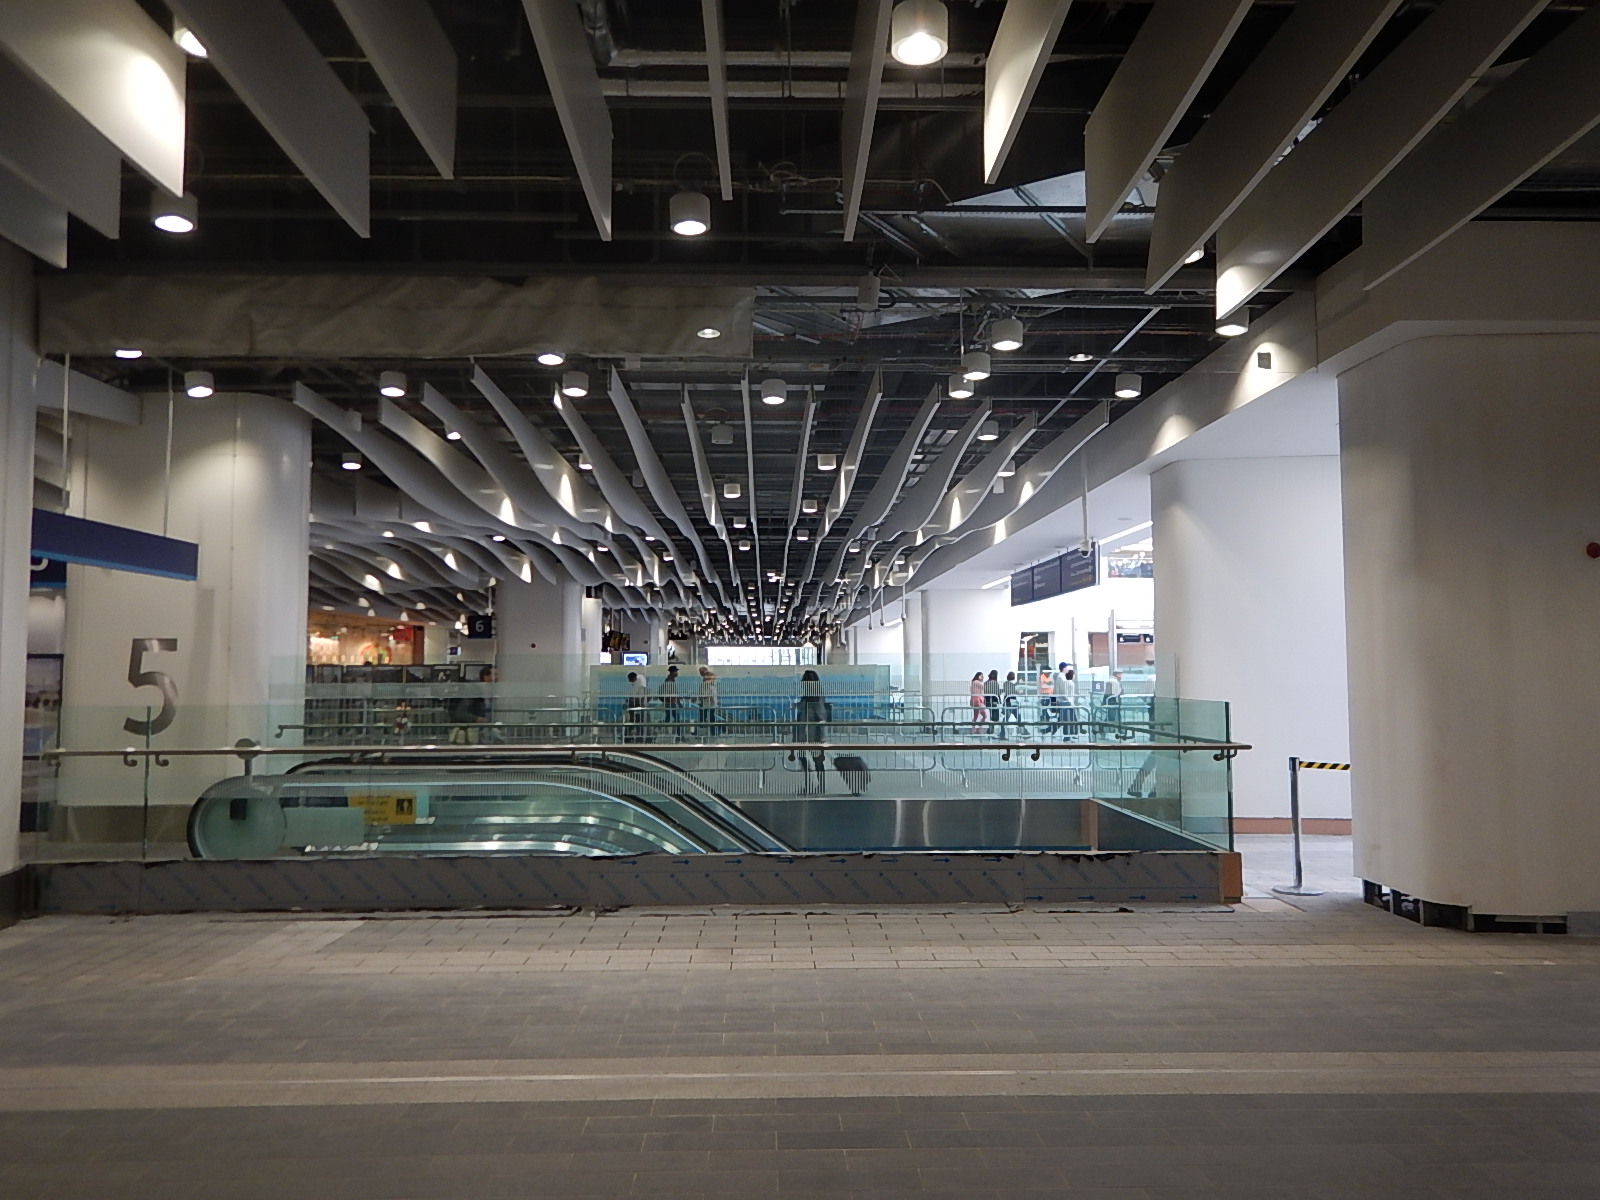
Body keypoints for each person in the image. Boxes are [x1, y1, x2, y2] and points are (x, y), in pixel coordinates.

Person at [795, 668, 829, 792]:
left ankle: (820, 786)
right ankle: (811, 784)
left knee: (817, 760)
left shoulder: (816, 699)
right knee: (805, 758)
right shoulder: (807, 698)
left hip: (814, 735)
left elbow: (820, 718)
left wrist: (821, 738)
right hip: (804, 734)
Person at [447, 666, 495, 745]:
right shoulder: (474, 693)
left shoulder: (488, 692)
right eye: (494, 675)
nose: (497, 677)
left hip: (478, 730)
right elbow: (460, 712)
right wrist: (476, 718)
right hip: (469, 731)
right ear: (485, 676)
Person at [658, 664, 683, 740]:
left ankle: (659, 726)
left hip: (670, 702)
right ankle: (679, 735)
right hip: (670, 703)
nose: (677, 673)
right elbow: (671, 693)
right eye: (676, 671)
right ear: (672, 672)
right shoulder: (669, 681)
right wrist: (678, 702)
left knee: (668, 718)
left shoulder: (671, 680)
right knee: (677, 719)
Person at [624, 671, 647, 743]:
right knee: (635, 720)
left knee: (637, 720)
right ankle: (634, 735)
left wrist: (632, 699)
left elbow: (638, 696)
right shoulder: (638, 682)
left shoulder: (639, 683)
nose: (629, 680)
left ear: (633, 678)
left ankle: (638, 735)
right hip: (636, 704)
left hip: (637, 704)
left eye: (629, 679)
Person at [696, 666, 719, 738]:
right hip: (708, 700)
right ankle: (712, 733)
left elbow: (709, 691)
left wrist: (710, 698)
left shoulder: (707, 678)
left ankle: (705, 732)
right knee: (709, 717)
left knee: (704, 717)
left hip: (708, 700)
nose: (700, 674)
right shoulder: (709, 680)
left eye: (700, 672)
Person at [1104, 670, 1128, 739]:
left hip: (1110, 701)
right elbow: (1114, 694)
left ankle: (1104, 729)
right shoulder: (1114, 682)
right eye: (1120, 674)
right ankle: (1113, 729)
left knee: (1110, 716)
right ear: (1117, 674)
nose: (1121, 676)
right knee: (1113, 717)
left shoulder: (1110, 681)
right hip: (1113, 701)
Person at [999, 670, 1023, 735]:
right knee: (1017, 717)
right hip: (1011, 703)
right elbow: (1019, 692)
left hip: (1009, 702)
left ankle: (1003, 733)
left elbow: (1016, 691)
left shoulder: (1007, 683)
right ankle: (1023, 732)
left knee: (1007, 718)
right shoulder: (1013, 684)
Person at [1036, 668, 1055, 735]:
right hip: (1044, 694)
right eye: (1049, 673)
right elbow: (1042, 685)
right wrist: (1048, 684)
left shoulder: (1048, 677)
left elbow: (1051, 685)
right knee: (1044, 708)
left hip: (1049, 695)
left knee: (1046, 708)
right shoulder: (1042, 677)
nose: (1049, 674)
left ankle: (1046, 718)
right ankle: (1045, 718)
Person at [983, 669, 1001, 734]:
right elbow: (997, 693)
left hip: (987, 701)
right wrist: (999, 701)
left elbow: (984, 692)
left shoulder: (986, 683)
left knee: (991, 715)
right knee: (995, 716)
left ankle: (990, 729)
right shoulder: (995, 683)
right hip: (994, 701)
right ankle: (991, 729)